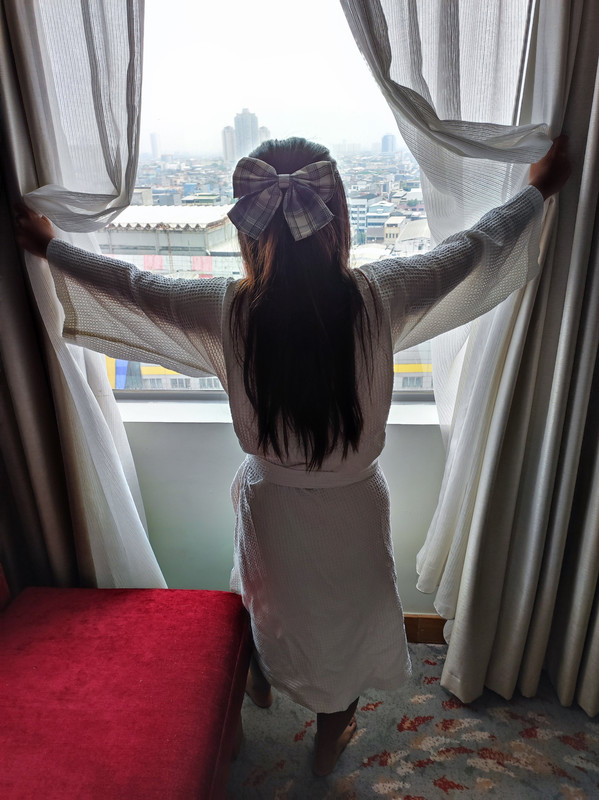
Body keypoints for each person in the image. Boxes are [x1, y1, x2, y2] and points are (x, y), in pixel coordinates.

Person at [15, 135, 570, 776]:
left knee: (269, 604)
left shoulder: (226, 310)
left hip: (271, 509)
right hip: (353, 511)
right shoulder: (383, 295)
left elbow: (136, 288)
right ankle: (329, 739)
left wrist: (50, 247)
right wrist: (539, 188)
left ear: (251, 229)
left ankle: (258, 675)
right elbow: (471, 251)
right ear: (338, 219)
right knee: (347, 624)